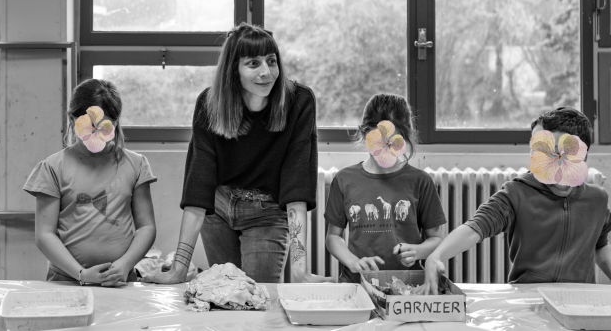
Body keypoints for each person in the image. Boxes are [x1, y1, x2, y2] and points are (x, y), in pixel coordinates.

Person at [145, 23, 329, 284]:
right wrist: (178, 269)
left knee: (258, 296)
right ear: (233, 69)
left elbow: (297, 186)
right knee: (227, 293)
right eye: (253, 63)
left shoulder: (299, 101)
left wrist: (300, 271)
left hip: (267, 214)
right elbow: (199, 187)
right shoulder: (209, 104)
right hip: (218, 211)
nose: (267, 72)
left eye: (271, 61)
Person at [424, 107, 611, 292]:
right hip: (528, 295)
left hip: (580, 298)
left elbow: (601, 247)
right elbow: (475, 228)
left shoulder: (597, 199)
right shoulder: (516, 193)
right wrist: (437, 255)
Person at [24, 79, 157, 287]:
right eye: (90, 126)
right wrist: (81, 274)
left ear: (115, 122)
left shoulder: (136, 164)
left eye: (104, 126)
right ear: (72, 119)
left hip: (119, 281)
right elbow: (44, 234)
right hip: (67, 280)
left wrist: (124, 265)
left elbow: (146, 226)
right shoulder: (53, 167)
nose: (96, 133)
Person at [325, 93, 446, 283]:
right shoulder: (343, 180)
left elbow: (437, 239)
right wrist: (353, 262)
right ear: (365, 134)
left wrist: (418, 251)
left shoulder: (421, 181)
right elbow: (333, 236)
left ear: (405, 137)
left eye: (392, 141)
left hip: (407, 284)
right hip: (357, 283)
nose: (385, 149)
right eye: (380, 140)